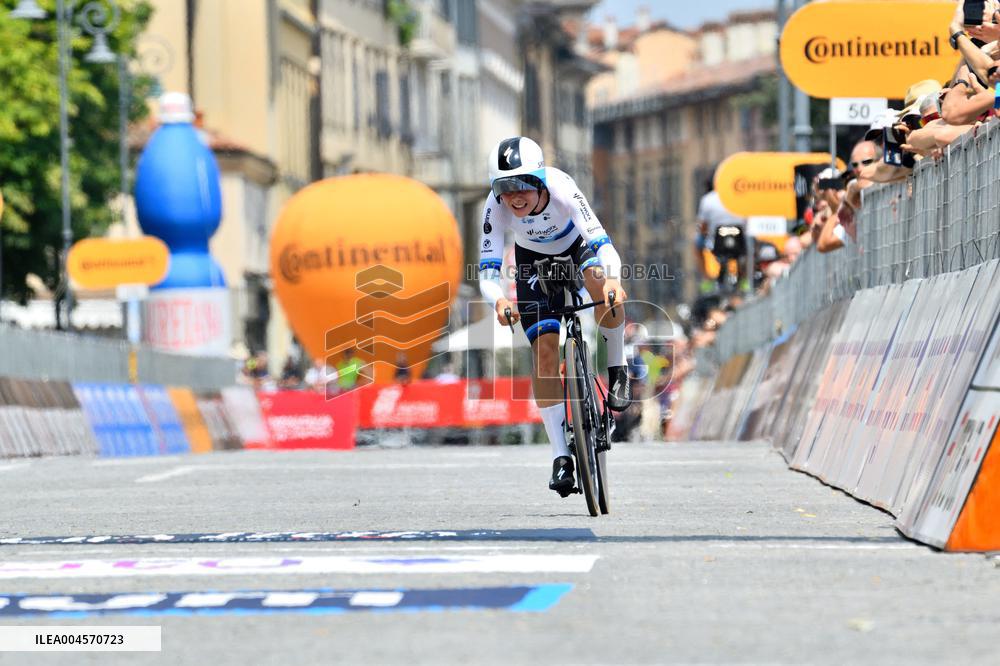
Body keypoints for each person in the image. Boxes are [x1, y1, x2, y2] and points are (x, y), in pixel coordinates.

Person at [478, 136, 629, 496]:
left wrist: (612, 281)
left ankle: (617, 368)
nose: (514, 195)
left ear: (540, 179)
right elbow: (487, 271)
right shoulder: (494, 207)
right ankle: (561, 456)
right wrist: (498, 300)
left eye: (522, 185)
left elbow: (603, 245)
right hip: (532, 263)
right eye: (504, 187)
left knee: (604, 291)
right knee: (544, 354)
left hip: (577, 248)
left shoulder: (563, 188)